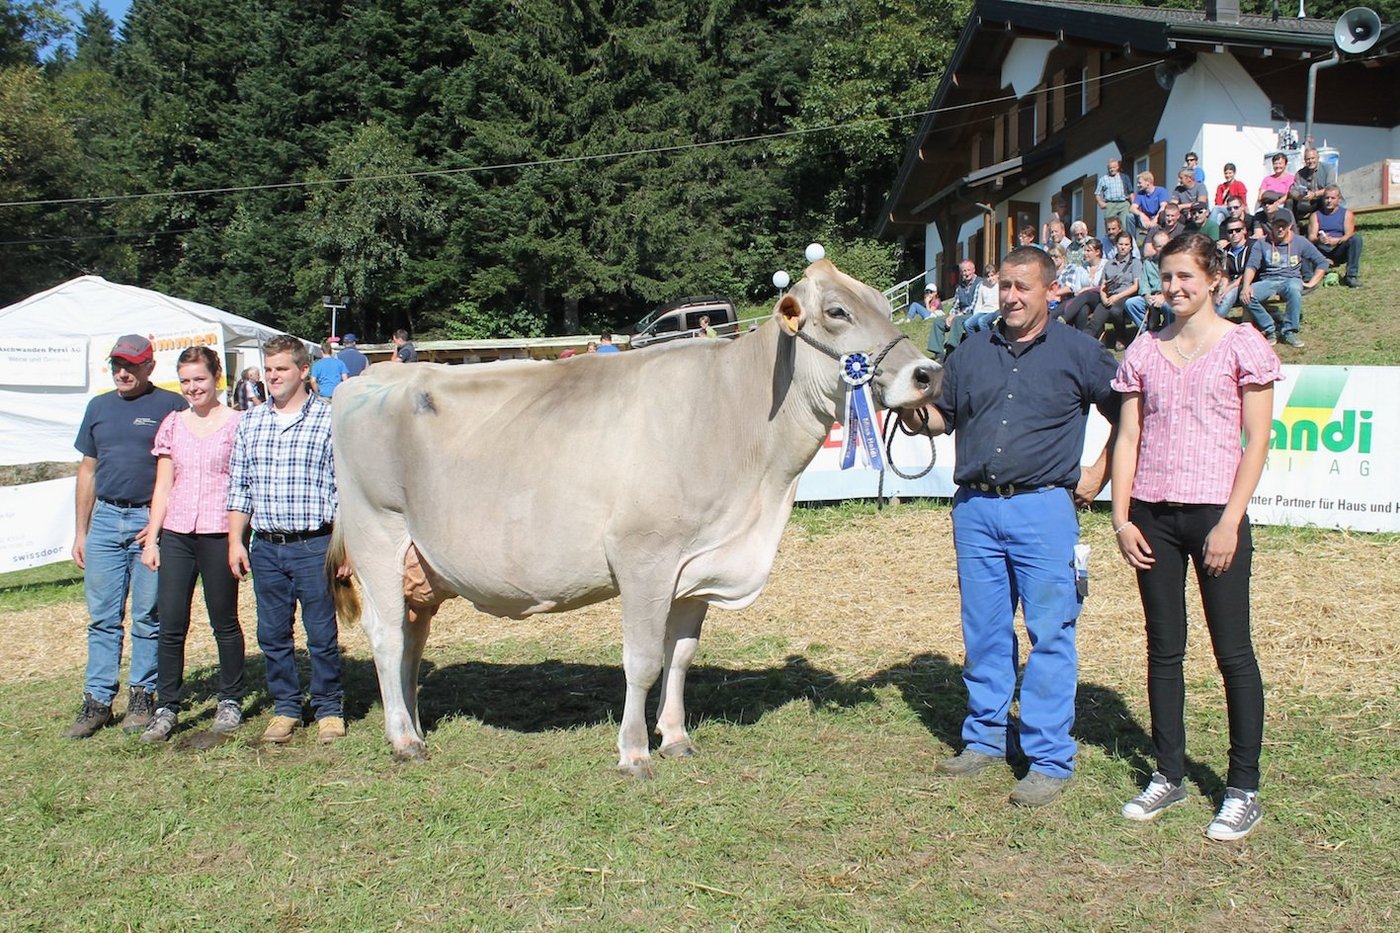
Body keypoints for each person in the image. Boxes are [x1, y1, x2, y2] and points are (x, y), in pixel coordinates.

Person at [902, 245, 1119, 808]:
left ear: (1051, 290)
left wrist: (1099, 471)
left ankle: (1048, 758)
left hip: (1044, 509)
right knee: (985, 630)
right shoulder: (972, 350)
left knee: (1051, 632)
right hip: (975, 510)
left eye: (1024, 286)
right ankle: (984, 738)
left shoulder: (1081, 352)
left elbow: (1131, 414)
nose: (1012, 296)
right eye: (1005, 286)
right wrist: (908, 409)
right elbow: (941, 417)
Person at [1111, 232, 1279, 841]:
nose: (1174, 287)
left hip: (1215, 516)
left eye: (1185, 275)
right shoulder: (1144, 349)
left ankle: (1242, 788)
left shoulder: (1244, 344)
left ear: (1214, 279)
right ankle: (1169, 773)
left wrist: (1230, 521)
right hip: (1152, 516)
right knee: (1164, 649)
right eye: (1166, 277)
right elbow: (1129, 437)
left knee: (1232, 652)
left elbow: (1257, 441)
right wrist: (1122, 518)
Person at [66, 335, 187, 738]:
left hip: (147, 522)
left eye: (131, 365)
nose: (123, 372)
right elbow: (88, 470)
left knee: (148, 615)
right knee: (103, 617)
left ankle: (142, 695)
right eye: (117, 364)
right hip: (105, 520)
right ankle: (97, 700)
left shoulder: (172, 406)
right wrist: (81, 531)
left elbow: (183, 469)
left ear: (150, 367)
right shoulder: (98, 407)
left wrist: (158, 521)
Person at [227, 334, 345, 745]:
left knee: (321, 633)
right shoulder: (251, 421)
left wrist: (345, 546)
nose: (273, 376)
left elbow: (342, 488)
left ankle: (328, 707)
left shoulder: (329, 419)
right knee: (273, 634)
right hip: (266, 546)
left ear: (303, 370)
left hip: (315, 544)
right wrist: (236, 540)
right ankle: (286, 707)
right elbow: (239, 487)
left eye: (281, 369)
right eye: (268, 369)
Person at [138, 347, 244, 742]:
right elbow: (163, 485)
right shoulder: (173, 424)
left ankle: (230, 699)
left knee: (224, 621)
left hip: (218, 531)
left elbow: (242, 483)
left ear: (217, 378)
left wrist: (238, 538)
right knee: (170, 622)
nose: (192, 387)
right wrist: (153, 538)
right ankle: (167, 706)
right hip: (178, 533)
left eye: (199, 379)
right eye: (185, 380)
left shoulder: (237, 424)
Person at [1240, 207, 1327, 349]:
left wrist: (1312, 282)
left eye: (1284, 226)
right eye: (1277, 225)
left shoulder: (1299, 241)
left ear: (1290, 226)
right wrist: (1246, 286)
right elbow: (1251, 266)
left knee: (1294, 290)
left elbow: (1322, 262)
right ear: (1271, 225)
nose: (1280, 229)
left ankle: (1289, 331)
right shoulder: (1262, 243)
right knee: (1247, 296)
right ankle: (1269, 328)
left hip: (1291, 278)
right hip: (1268, 280)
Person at [928, 260, 984, 361]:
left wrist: (957, 315)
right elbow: (956, 305)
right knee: (938, 323)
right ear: (961, 273)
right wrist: (950, 316)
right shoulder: (959, 287)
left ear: (974, 270)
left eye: (968, 270)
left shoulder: (980, 283)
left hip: (974, 314)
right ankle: (939, 354)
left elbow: (974, 305)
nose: (966, 273)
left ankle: (951, 348)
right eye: (964, 271)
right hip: (960, 315)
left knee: (957, 320)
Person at [1309, 185, 1362, 288]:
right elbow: (1311, 237)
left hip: (1338, 248)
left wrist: (1336, 241)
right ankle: (1308, 277)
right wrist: (1319, 240)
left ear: (1339, 199)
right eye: (1326, 198)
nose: (1329, 201)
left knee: (1356, 239)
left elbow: (1349, 234)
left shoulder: (1346, 214)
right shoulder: (1315, 215)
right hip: (1321, 249)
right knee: (1304, 242)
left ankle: (1351, 276)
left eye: (1332, 198)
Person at [1216, 215, 1254, 317]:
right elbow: (1225, 274)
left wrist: (1228, 289)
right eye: (1230, 231)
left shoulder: (1253, 246)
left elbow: (1249, 272)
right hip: (1233, 282)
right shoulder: (1225, 251)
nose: (1234, 233)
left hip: (1250, 282)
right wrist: (1222, 288)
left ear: (1244, 230)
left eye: (1238, 230)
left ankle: (1215, 320)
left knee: (1229, 294)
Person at [1289, 147, 1337, 223]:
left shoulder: (1328, 169)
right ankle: (1293, 227)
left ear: (1318, 158)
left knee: (1325, 198)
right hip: (1306, 202)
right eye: (1308, 159)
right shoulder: (1300, 173)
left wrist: (1315, 194)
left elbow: (1331, 188)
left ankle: (1323, 226)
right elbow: (1292, 190)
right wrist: (1299, 196)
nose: (1310, 161)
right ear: (1304, 160)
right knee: (1289, 202)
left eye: (1313, 158)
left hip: (1322, 200)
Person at [1095, 158, 1132, 236]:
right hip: (1110, 204)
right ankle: (1110, 241)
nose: (1111, 170)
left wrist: (1133, 204)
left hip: (1123, 203)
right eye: (1110, 168)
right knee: (1110, 226)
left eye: (1113, 167)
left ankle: (1124, 240)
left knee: (1125, 225)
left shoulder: (1124, 177)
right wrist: (1101, 203)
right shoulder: (1103, 179)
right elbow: (1097, 193)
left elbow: (1131, 192)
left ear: (1117, 167)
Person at [1131, 171, 1169, 239]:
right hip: (1145, 219)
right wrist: (1142, 215)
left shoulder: (1161, 191)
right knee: (1130, 216)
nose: (1137, 185)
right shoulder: (1140, 193)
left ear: (1147, 182)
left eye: (1140, 183)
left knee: (1163, 215)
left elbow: (1163, 206)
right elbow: (1132, 208)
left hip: (1158, 218)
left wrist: (1155, 220)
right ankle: (1131, 239)